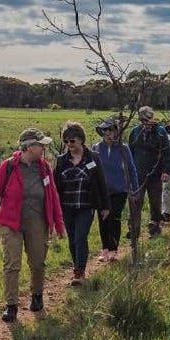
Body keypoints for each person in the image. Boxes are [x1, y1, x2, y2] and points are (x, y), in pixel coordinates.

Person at [0, 128, 66, 322]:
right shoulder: (8, 167)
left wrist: (59, 224)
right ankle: (11, 305)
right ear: (29, 147)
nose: (44, 147)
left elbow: (53, 196)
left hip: (37, 221)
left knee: (37, 262)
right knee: (12, 264)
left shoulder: (44, 168)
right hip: (11, 223)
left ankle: (37, 296)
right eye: (40, 144)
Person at [55, 121, 109, 285]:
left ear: (81, 139)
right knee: (72, 239)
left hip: (86, 206)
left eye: (72, 141)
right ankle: (77, 267)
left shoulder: (93, 157)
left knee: (80, 237)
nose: (69, 144)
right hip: (67, 207)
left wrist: (105, 205)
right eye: (66, 141)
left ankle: (79, 271)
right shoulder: (61, 161)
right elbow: (56, 185)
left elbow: (101, 182)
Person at [91, 116, 139, 262]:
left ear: (117, 132)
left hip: (120, 190)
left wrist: (135, 189)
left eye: (112, 131)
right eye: (106, 132)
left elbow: (131, 169)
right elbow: (92, 170)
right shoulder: (96, 148)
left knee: (114, 217)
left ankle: (113, 249)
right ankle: (105, 249)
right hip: (102, 191)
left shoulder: (124, 148)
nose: (109, 135)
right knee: (103, 219)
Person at [127, 106, 170, 237]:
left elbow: (167, 152)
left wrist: (166, 171)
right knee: (136, 201)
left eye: (147, 119)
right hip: (138, 175)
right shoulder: (135, 132)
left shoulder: (160, 132)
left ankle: (155, 226)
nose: (145, 123)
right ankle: (133, 229)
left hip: (155, 173)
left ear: (152, 118)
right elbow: (129, 153)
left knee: (155, 202)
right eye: (142, 120)